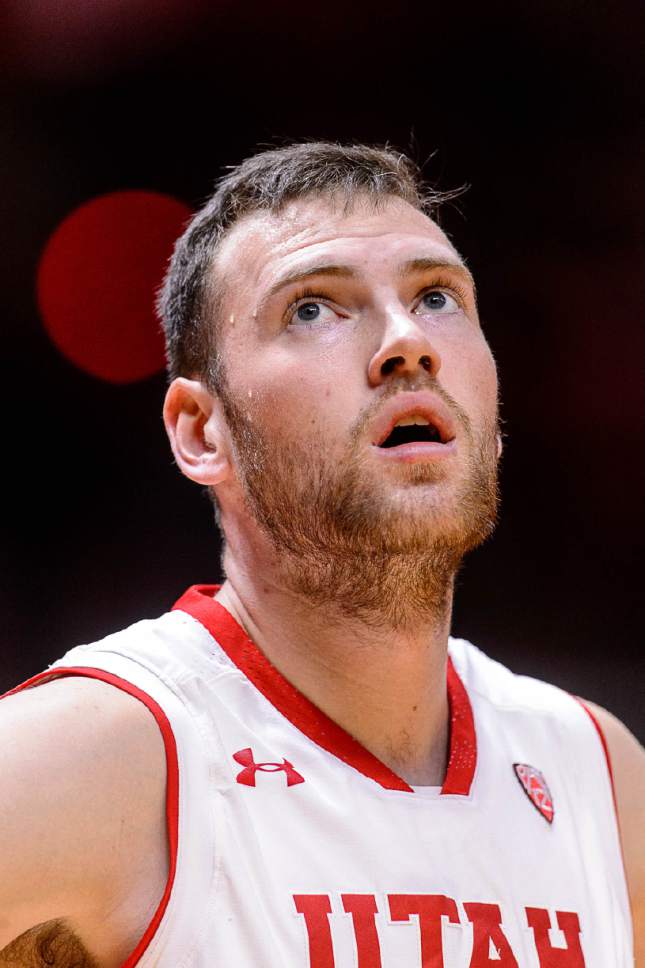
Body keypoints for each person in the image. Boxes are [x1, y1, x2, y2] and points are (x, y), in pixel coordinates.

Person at [0, 142, 642, 968]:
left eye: (436, 296)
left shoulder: (597, 774)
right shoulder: (98, 758)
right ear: (202, 431)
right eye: (312, 309)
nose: (407, 341)